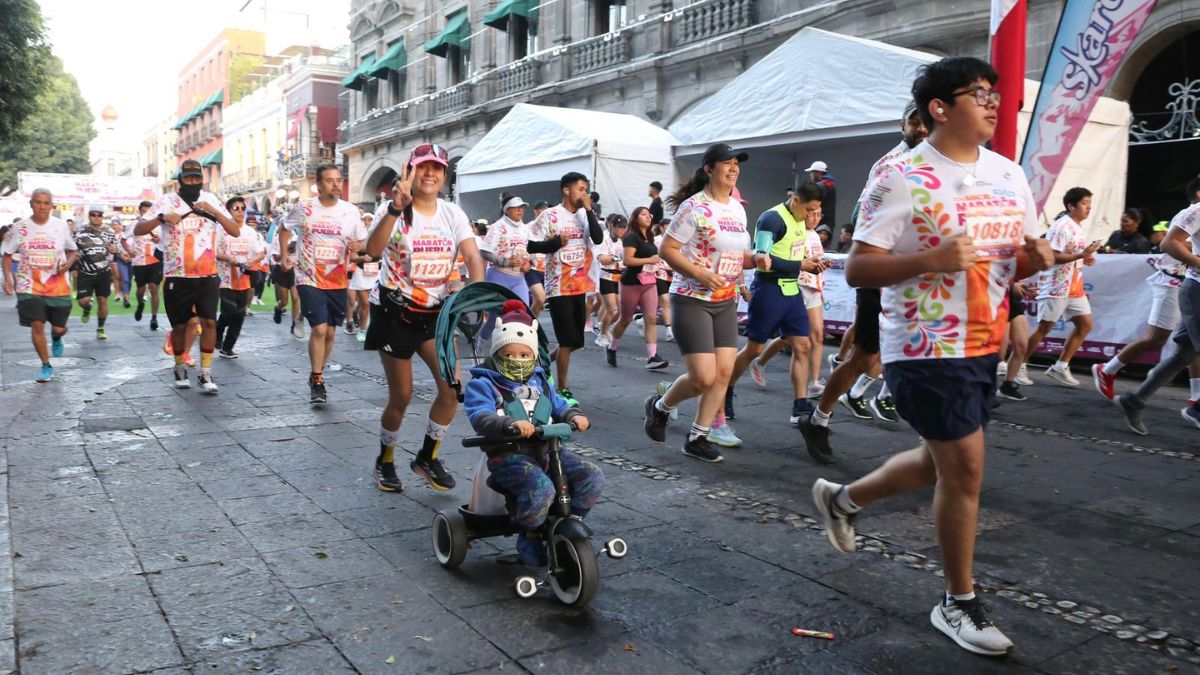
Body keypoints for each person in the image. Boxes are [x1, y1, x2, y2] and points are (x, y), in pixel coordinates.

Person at [810, 57, 1054, 657]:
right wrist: (929, 260)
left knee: (937, 463)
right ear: (940, 109)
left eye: (997, 94)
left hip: (983, 340)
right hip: (924, 343)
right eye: (979, 93)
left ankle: (842, 499)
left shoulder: (1007, 175)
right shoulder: (901, 173)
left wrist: (1035, 267)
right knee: (966, 468)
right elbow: (861, 266)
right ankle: (958, 601)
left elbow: (1006, 257)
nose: (995, 103)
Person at [799, 100, 928, 462]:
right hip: (882, 272)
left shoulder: (939, 162)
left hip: (919, 276)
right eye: (914, 122)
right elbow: (859, 216)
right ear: (903, 124)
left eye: (925, 122)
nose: (920, 129)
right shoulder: (890, 165)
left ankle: (933, 440)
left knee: (923, 353)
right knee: (865, 356)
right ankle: (820, 417)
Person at [364, 143, 484, 492]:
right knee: (401, 395)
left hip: (435, 313)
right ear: (409, 171)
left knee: (453, 389)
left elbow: (473, 256)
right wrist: (393, 209)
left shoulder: (452, 213)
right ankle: (384, 460)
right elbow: (371, 252)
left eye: (437, 168)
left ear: (444, 175)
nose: (430, 174)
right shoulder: (393, 210)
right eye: (423, 167)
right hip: (394, 311)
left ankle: (427, 457)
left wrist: (476, 292)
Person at [643, 143, 767, 463]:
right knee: (702, 377)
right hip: (691, 299)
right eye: (726, 163)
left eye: (737, 163)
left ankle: (697, 437)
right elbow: (667, 250)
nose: (734, 167)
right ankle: (660, 408)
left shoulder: (737, 209)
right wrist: (699, 272)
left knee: (723, 374)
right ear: (709, 169)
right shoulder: (694, 207)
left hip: (725, 301)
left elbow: (736, 257)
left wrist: (757, 261)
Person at [463, 300, 601, 566]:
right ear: (497, 354)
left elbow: (560, 405)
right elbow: (479, 415)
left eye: (524, 355)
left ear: (534, 355)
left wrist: (574, 416)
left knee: (591, 476)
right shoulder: (484, 384)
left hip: (549, 452)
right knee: (541, 489)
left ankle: (570, 520)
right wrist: (509, 425)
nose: (518, 360)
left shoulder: (540, 382)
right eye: (510, 354)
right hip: (509, 456)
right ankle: (529, 534)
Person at [133, 158, 240, 393]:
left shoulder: (211, 200)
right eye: (189, 177)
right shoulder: (166, 201)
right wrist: (161, 218)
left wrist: (213, 212)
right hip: (176, 275)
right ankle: (179, 366)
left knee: (209, 322)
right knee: (180, 326)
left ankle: (205, 372)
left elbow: (234, 230)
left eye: (197, 177)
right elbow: (138, 229)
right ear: (180, 179)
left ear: (203, 179)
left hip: (207, 275)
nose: (193, 182)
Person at [728, 183, 823, 428]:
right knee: (754, 350)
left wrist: (809, 262)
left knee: (802, 346)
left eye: (817, 211)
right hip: (768, 290)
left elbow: (793, 254)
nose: (812, 216)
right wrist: (802, 265)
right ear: (796, 200)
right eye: (809, 209)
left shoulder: (800, 220)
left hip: (792, 290)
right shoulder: (772, 219)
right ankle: (726, 389)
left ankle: (799, 403)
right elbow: (762, 259)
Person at [1111, 177, 1200, 431]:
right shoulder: (1196, 211)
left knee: (1183, 355)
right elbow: (1168, 242)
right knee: (1174, 347)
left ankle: (1135, 400)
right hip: (1196, 290)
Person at [278, 164, 368, 405]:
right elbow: (284, 228)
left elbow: (362, 242)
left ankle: (316, 371)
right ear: (318, 184)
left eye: (339, 180)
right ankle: (318, 380)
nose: (336, 184)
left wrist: (358, 248)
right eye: (330, 180)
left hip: (337, 278)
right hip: (309, 276)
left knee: (330, 332)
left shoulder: (350, 211)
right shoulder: (305, 207)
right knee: (319, 329)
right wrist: (284, 255)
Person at [526, 173, 604, 405]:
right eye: (580, 189)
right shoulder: (550, 216)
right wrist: (555, 243)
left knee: (575, 341)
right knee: (567, 341)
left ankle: (543, 364)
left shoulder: (584, 216)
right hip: (558, 285)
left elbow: (598, 239)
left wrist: (589, 211)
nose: (584, 193)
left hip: (580, 285)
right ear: (566, 191)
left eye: (586, 189)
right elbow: (531, 244)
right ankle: (562, 388)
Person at [1018, 188, 1101, 387]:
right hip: (1056, 285)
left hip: (1074, 286)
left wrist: (1084, 258)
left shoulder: (1077, 227)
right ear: (1071, 206)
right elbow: (1053, 256)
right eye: (1084, 203)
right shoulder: (1061, 226)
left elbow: (1072, 255)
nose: (1088, 207)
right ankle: (1019, 364)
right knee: (1044, 328)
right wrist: (1080, 256)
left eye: (1090, 202)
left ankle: (1060, 367)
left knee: (1085, 325)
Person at [1, 188, 79, 382]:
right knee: (37, 324)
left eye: (46, 203)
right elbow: (7, 254)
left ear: (52, 205)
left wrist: (67, 264)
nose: (42, 206)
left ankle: (57, 336)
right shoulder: (19, 228)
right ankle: (46, 365)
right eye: (38, 202)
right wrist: (8, 280)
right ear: (31, 204)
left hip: (57, 284)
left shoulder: (61, 226)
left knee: (59, 328)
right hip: (29, 285)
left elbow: (73, 251)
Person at [607, 206, 668, 370]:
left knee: (651, 319)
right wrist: (650, 260)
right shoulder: (631, 237)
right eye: (643, 214)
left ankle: (652, 356)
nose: (648, 217)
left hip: (649, 282)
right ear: (635, 218)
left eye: (649, 214)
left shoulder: (650, 237)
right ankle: (612, 348)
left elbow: (654, 259)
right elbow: (628, 261)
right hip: (631, 283)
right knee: (625, 319)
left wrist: (656, 263)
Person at [214, 196, 266, 359]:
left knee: (239, 315)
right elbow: (214, 252)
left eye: (243, 208)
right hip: (225, 278)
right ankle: (218, 331)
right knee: (229, 311)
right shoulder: (221, 230)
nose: (240, 211)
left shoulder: (251, 232)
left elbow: (261, 251)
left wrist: (250, 261)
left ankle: (228, 348)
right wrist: (229, 259)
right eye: (236, 208)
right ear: (228, 211)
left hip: (244, 278)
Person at [73, 206, 119, 340]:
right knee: (83, 301)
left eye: (99, 215)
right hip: (85, 271)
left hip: (103, 271)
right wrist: (74, 268)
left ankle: (100, 328)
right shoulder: (79, 231)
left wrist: (114, 250)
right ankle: (87, 308)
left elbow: (114, 249)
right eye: (93, 215)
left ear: (102, 216)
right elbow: (71, 250)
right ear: (89, 216)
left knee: (102, 300)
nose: (96, 217)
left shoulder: (109, 232)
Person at [481, 194, 532, 306]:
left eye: (522, 207)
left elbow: (526, 250)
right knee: (495, 317)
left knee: (523, 312)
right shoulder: (497, 227)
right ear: (506, 210)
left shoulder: (524, 228)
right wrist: (506, 262)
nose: (520, 210)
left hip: (519, 278)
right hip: (498, 276)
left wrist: (528, 263)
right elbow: (484, 252)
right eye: (515, 207)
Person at [125, 200, 162, 330]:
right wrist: (129, 251)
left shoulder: (159, 225)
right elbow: (123, 239)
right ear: (139, 211)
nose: (146, 214)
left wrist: (158, 240)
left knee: (153, 287)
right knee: (140, 290)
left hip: (155, 260)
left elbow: (166, 242)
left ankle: (154, 318)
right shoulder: (135, 224)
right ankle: (140, 304)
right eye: (144, 211)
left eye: (149, 211)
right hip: (139, 261)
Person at [596, 213, 628, 349]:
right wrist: (616, 257)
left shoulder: (624, 241)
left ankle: (603, 326)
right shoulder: (604, 238)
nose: (621, 230)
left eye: (624, 227)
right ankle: (602, 334)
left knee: (620, 312)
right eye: (619, 227)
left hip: (619, 277)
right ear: (611, 226)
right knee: (612, 309)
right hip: (606, 276)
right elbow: (602, 259)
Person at [806, 160, 837, 229]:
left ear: (818, 173)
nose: (810, 175)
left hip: (820, 224)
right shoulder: (829, 184)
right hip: (826, 224)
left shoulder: (821, 186)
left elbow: (809, 202)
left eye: (812, 172)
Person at [110, 217, 133, 308]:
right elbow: (112, 247)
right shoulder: (112, 236)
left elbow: (134, 247)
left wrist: (130, 256)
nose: (115, 226)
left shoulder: (129, 236)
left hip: (132, 260)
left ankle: (126, 293)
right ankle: (125, 299)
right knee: (123, 278)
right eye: (114, 225)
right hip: (119, 258)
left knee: (129, 279)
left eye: (117, 224)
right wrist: (120, 254)